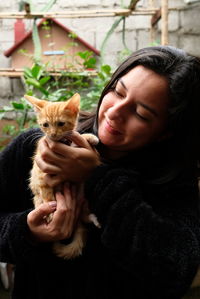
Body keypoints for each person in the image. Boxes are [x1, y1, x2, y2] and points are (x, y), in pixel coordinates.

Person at [0, 45, 200, 299]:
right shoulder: (39, 148)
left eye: (140, 112)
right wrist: (26, 232)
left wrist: (96, 177)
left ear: (166, 131)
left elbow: (176, 271)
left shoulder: (171, 180)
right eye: (118, 91)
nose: (115, 112)